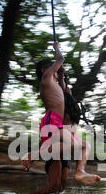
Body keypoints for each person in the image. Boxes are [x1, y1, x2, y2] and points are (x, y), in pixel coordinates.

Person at [21, 42, 100, 185]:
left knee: (84, 145)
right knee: (72, 143)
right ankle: (34, 154)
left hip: (57, 122)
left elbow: (64, 90)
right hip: (51, 120)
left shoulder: (56, 85)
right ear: (46, 70)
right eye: (55, 72)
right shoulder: (46, 80)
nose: (57, 75)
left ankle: (80, 171)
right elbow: (59, 60)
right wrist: (56, 48)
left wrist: (62, 76)